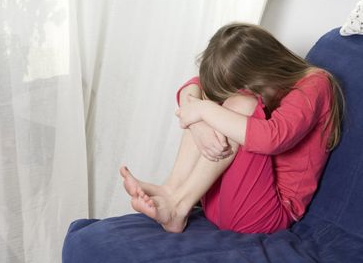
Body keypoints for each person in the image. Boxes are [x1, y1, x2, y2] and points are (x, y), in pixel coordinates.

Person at [120, 23, 344, 234]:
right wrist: (198, 122)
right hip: (218, 201)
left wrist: (204, 111)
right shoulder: (268, 81)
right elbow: (195, 85)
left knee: (238, 104)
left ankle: (178, 207)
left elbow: (273, 138)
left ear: (262, 73)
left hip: (268, 215)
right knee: (205, 102)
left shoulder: (315, 84)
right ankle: (173, 190)